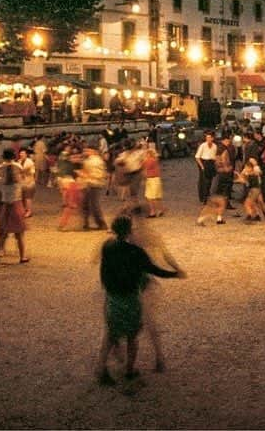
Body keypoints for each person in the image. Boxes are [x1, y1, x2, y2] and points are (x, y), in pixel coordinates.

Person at [95, 215, 182, 385]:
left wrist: (108, 289)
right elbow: (154, 269)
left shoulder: (107, 246)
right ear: (129, 230)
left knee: (111, 333)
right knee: (132, 336)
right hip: (131, 296)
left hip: (114, 296)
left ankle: (101, 368)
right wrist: (175, 273)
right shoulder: (137, 250)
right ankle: (130, 369)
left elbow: (103, 270)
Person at [0, 149, 29, 264]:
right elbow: (23, 188)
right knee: (19, 234)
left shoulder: (0, 177)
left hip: (5, 204)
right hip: (16, 204)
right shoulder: (18, 170)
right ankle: (22, 257)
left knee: (3, 233)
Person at [78, 147, 109, 230]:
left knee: (94, 205)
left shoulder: (96, 161)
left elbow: (100, 174)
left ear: (93, 151)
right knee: (87, 204)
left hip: (95, 184)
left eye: (87, 150)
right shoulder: (90, 160)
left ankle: (101, 224)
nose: (84, 151)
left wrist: (85, 175)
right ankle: (86, 223)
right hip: (90, 183)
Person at [194, 132, 218, 204]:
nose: (208, 139)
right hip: (204, 162)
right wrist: (202, 166)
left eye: (210, 137)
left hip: (211, 163)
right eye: (207, 138)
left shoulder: (214, 146)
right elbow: (197, 157)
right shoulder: (203, 145)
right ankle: (203, 197)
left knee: (209, 181)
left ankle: (207, 195)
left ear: (213, 138)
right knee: (204, 181)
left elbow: (215, 156)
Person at [142, 148, 166, 218]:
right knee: (156, 197)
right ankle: (159, 210)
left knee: (151, 197)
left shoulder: (150, 160)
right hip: (155, 179)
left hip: (152, 180)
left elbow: (143, 166)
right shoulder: (154, 160)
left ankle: (153, 212)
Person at [17, 148, 36, 218]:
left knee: (28, 198)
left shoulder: (30, 162)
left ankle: (29, 211)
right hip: (22, 183)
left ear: (26, 154)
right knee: (22, 198)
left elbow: (32, 172)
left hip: (29, 183)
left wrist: (25, 171)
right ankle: (24, 210)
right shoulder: (19, 161)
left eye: (23, 153)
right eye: (20, 153)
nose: (21, 154)